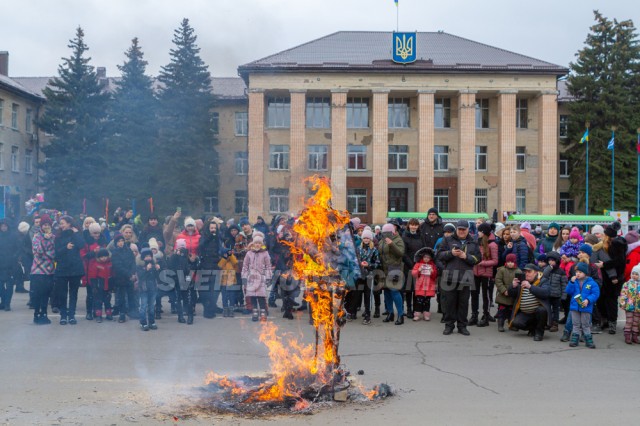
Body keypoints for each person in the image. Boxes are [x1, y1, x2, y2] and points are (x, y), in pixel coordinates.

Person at [437, 220, 480, 336]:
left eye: (464, 229)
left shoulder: (474, 241)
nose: (461, 231)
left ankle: (462, 326)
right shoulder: (447, 239)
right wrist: (450, 253)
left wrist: (466, 256)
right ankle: (449, 325)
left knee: (463, 303)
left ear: (468, 230)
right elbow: (439, 255)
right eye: (459, 229)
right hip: (449, 276)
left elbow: (478, 259)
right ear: (456, 229)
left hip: (466, 277)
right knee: (449, 303)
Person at [595, 222, 627, 334]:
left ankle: (612, 322)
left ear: (608, 236)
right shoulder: (605, 244)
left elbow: (619, 262)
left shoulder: (617, 245)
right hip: (604, 276)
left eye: (604, 234)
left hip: (615, 277)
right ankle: (604, 320)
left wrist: (604, 265)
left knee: (611, 300)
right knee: (601, 299)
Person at [54, 216, 86, 325]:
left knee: (74, 293)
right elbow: (56, 253)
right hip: (62, 269)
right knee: (62, 294)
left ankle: (72, 315)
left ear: (69, 224)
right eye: (60, 223)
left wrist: (76, 233)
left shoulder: (76, 235)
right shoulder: (58, 236)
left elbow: (82, 245)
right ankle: (63, 315)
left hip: (75, 269)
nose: (61, 225)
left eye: (63, 223)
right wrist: (65, 248)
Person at [508, 263, 550, 341]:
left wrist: (530, 287)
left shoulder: (543, 280)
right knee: (516, 323)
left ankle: (539, 333)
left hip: (538, 311)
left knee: (541, 310)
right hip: (525, 312)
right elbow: (511, 294)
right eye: (525, 272)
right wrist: (513, 286)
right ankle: (533, 328)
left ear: (536, 272)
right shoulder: (521, 281)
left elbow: (546, 293)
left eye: (529, 272)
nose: (526, 274)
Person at [565, 262, 600, 348]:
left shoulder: (591, 282)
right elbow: (568, 291)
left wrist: (588, 300)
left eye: (580, 272)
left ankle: (588, 339)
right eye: (576, 272)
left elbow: (596, 293)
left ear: (585, 273)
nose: (578, 274)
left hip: (586, 307)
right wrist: (571, 282)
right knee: (575, 323)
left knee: (585, 324)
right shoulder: (574, 281)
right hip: (574, 306)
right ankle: (575, 339)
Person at [378, 223, 406, 325]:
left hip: (395, 268)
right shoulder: (382, 240)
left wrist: (391, 244)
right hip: (384, 269)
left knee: (394, 291)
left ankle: (400, 315)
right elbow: (380, 253)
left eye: (388, 232)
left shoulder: (398, 240)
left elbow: (401, 253)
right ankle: (390, 313)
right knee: (386, 292)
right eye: (384, 233)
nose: (386, 235)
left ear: (392, 232)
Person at [30, 215, 56, 324]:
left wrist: (47, 254)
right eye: (44, 225)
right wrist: (44, 239)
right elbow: (37, 252)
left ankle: (44, 313)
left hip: (49, 270)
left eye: (48, 225)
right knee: (38, 293)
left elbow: (54, 253)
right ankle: (37, 314)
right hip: (38, 270)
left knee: (46, 293)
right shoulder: (37, 237)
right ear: (41, 226)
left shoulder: (54, 237)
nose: (46, 227)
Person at [471, 222, 498, 327]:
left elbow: (495, 261)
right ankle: (474, 315)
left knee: (485, 296)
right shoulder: (476, 242)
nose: (478, 233)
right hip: (475, 272)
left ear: (484, 232)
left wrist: (483, 263)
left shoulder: (492, 244)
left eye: (480, 231)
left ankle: (486, 317)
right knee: (474, 294)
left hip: (486, 273)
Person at [241, 233, 272, 322]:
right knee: (253, 296)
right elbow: (245, 266)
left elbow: (268, 266)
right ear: (253, 244)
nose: (257, 245)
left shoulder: (265, 253)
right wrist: (244, 277)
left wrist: (269, 276)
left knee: (261, 296)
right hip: (251, 277)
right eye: (256, 243)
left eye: (259, 243)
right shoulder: (249, 253)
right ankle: (255, 311)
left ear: (261, 244)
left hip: (261, 277)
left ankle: (263, 312)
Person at [198, 219, 223, 318]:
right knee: (205, 289)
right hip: (205, 265)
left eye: (214, 228)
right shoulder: (204, 236)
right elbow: (201, 246)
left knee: (215, 289)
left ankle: (212, 307)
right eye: (211, 228)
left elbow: (220, 249)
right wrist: (209, 237)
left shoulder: (218, 237)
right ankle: (207, 309)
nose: (213, 230)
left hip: (215, 265)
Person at [168, 239, 197, 324]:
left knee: (187, 299)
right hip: (177, 279)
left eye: (182, 247)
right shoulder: (173, 256)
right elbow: (170, 266)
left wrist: (193, 261)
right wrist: (175, 255)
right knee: (178, 299)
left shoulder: (189, 255)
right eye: (179, 247)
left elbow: (194, 267)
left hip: (187, 279)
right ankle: (180, 316)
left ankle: (190, 316)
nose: (181, 249)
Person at [356, 229, 381, 324]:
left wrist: (369, 265)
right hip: (359, 275)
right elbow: (355, 261)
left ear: (371, 239)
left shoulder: (374, 250)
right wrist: (360, 264)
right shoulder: (358, 249)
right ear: (362, 239)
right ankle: (353, 312)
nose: (366, 239)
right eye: (364, 238)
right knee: (358, 294)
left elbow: (378, 263)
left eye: (368, 238)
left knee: (368, 296)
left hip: (369, 275)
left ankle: (367, 315)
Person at [110, 233, 136, 323]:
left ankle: (132, 312)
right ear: (116, 243)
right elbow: (117, 266)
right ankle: (122, 314)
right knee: (121, 297)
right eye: (119, 241)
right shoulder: (115, 253)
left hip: (130, 278)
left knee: (131, 295)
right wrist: (129, 274)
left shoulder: (128, 250)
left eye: (122, 241)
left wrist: (133, 273)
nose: (121, 243)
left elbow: (133, 262)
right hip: (120, 278)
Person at [402, 218, 424, 319]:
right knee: (409, 289)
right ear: (409, 225)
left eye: (415, 225)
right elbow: (404, 253)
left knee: (417, 289)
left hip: (419, 265)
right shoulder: (405, 236)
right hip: (409, 266)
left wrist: (420, 263)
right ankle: (409, 309)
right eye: (412, 225)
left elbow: (423, 250)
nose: (414, 227)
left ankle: (416, 309)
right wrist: (411, 265)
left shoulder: (421, 236)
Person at [543, 251, 568, 332]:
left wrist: (564, 295)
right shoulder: (547, 270)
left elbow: (564, 284)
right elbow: (544, 276)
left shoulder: (561, 272)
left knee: (555, 309)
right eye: (549, 260)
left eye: (553, 260)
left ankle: (555, 324)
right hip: (547, 293)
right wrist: (548, 269)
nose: (551, 262)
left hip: (556, 294)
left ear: (557, 261)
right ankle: (548, 323)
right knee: (547, 309)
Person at [136, 248, 160, 331]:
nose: (148, 258)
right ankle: (143, 323)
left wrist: (157, 270)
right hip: (143, 289)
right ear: (143, 257)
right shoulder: (139, 266)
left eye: (150, 256)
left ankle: (151, 322)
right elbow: (140, 277)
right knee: (143, 306)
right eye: (146, 256)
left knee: (151, 306)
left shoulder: (153, 264)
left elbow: (157, 277)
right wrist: (146, 269)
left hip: (153, 288)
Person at [494, 254, 519, 332]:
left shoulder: (518, 271)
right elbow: (498, 281)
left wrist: (513, 291)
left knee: (511, 312)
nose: (510, 263)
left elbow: (520, 282)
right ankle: (500, 325)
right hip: (503, 295)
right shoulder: (501, 270)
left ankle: (511, 324)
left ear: (515, 262)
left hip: (512, 296)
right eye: (508, 262)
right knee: (502, 311)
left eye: (512, 262)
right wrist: (504, 290)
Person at [411, 247, 437, 321]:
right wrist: (418, 270)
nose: (426, 258)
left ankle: (426, 314)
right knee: (419, 301)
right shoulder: (418, 264)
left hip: (429, 286)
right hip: (420, 286)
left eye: (428, 257)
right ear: (422, 257)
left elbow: (434, 276)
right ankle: (417, 314)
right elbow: (413, 273)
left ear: (431, 258)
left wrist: (432, 271)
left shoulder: (432, 265)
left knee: (427, 301)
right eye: (425, 257)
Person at [0, 219, 20, 311]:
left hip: (11, 265)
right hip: (1, 264)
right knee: (0, 285)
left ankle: (7, 303)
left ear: (8, 226)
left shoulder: (13, 236)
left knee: (9, 285)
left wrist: (14, 257)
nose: (3, 227)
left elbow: (19, 248)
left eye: (5, 226)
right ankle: (3, 302)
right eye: (2, 226)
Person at [88, 248, 113, 323]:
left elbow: (112, 275)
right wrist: (94, 287)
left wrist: (112, 286)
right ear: (98, 257)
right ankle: (98, 315)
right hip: (99, 286)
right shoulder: (96, 264)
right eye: (102, 257)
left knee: (107, 301)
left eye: (105, 256)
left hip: (108, 286)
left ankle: (109, 314)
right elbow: (92, 276)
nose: (104, 258)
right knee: (98, 301)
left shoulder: (110, 264)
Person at [619, 264, 640, 344]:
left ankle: (635, 336)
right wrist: (623, 303)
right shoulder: (627, 284)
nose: (634, 276)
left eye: (637, 274)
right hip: (629, 306)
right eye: (633, 274)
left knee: (636, 322)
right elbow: (623, 294)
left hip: (638, 307)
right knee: (629, 321)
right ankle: (627, 335)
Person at [218, 247, 239, 318]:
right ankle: (225, 309)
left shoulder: (232, 259)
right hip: (223, 281)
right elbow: (219, 265)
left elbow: (235, 262)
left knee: (232, 296)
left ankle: (231, 309)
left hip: (231, 280)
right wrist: (224, 257)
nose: (227, 254)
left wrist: (230, 255)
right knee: (224, 296)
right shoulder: (221, 260)